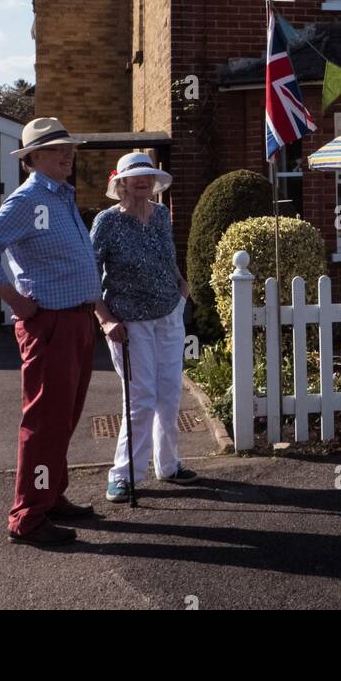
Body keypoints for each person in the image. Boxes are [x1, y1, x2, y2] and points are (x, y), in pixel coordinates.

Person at [0, 117, 106, 547]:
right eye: (57, 149)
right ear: (32, 159)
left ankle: (50, 495)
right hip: (51, 324)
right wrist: (17, 302)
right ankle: (27, 517)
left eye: (70, 147)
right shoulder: (29, 200)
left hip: (75, 321)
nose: (69, 154)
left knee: (62, 419)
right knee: (44, 422)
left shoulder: (59, 196)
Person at [91, 152, 197, 502]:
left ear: (154, 182)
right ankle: (124, 475)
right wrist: (105, 320)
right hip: (129, 323)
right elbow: (90, 276)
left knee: (169, 395)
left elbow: (169, 258)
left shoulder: (163, 216)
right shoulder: (107, 222)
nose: (142, 181)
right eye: (134, 177)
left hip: (168, 315)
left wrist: (182, 286)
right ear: (120, 183)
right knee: (141, 398)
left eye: (148, 176)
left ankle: (169, 465)